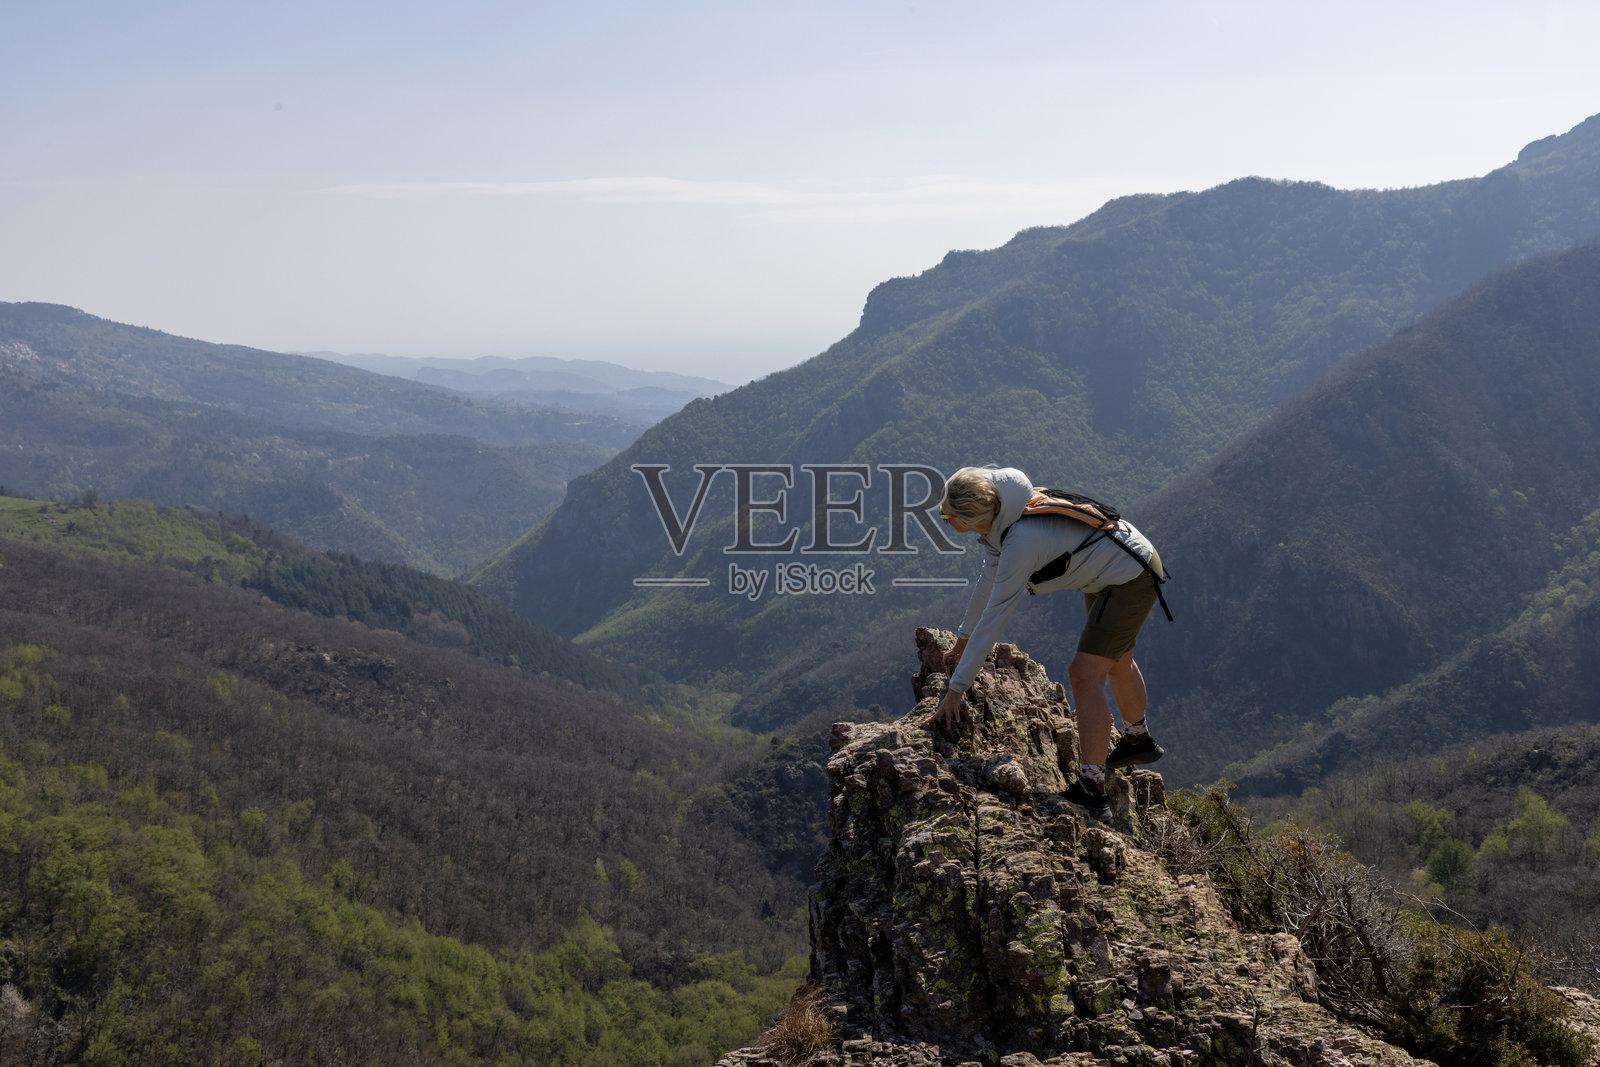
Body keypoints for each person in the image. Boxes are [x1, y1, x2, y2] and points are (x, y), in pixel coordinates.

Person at [934, 465, 1168, 820]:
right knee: (1117, 660)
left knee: (1085, 675)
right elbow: (987, 581)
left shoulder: (1021, 542)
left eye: (946, 515)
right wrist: (962, 640)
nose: (944, 518)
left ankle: (1092, 788)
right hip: (1116, 567)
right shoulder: (1005, 514)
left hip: (1129, 576)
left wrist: (956, 689)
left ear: (973, 518)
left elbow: (996, 615)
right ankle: (1138, 740)